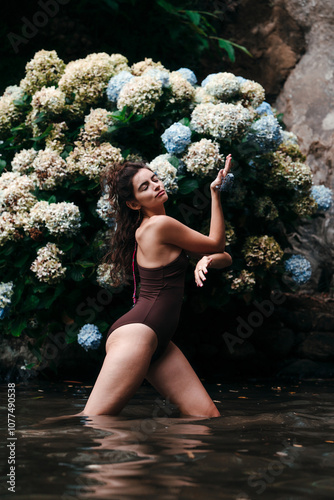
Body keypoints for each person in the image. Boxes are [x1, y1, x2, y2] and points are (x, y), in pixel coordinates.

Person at [82, 155, 233, 418]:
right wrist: (215, 194)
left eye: (154, 179)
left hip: (157, 340)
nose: (155, 185)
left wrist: (207, 260)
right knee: (94, 421)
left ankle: (168, 458)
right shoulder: (160, 225)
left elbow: (224, 256)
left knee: (205, 418)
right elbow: (217, 242)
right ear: (133, 203)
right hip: (137, 335)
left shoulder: (154, 227)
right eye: (145, 187)